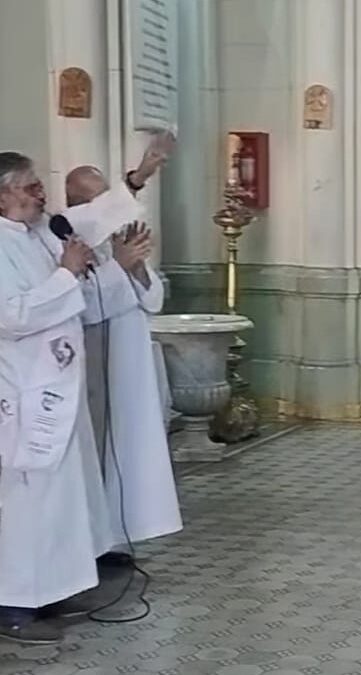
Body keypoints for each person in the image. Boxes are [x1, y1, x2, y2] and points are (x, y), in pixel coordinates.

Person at [0, 152, 151, 643]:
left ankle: (53, 586)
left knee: (64, 498)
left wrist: (112, 268)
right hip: (22, 397)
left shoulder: (38, 237)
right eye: (28, 187)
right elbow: (14, 315)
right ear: (1, 197)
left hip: (58, 390)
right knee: (28, 501)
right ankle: (15, 604)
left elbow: (79, 305)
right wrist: (67, 274)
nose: (40, 193)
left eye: (38, 183)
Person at [64, 133, 182, 568]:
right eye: (93, 198)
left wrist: (133, 270)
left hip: (129, 356)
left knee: (127, 449)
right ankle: (91, 543)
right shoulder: (67, 237)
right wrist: (121, 267)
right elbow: (87, 304)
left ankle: (115, 535)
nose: (105, 207)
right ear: (73, 204)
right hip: (94, 359)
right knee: (96, 448)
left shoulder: (119, 236)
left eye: (106, 196)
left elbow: (152, 299)